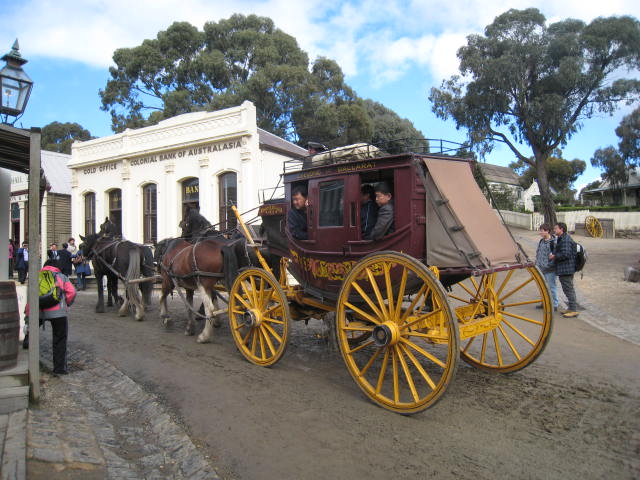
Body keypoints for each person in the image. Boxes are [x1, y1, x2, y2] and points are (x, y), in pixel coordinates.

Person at [27, 259, 76, 375]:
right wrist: (66, 304)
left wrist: (28, 314)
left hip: (38, 310)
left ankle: (26, 344)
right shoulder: (62, 277)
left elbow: (30, 296)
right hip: (58, 312)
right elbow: (72, 292)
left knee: (31, 333)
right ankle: (59, 368)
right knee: (59, 339)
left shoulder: (36, 277)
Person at [549, 222, 579, 318]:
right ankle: (571, 308)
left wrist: (554, 256)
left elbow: (566, 254)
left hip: (567, 269)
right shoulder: (562, 238)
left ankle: (573, 310)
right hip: (564, 269)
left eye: (556, 228)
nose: (554, 230)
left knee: (569, 289)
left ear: (561, 229)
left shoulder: (565, 239)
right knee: (567, 289)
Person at [535, 223, 558, 311]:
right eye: (540, 230)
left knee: (551, 286)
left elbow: (555, 255)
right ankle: (544, 302)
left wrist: (550, 265)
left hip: (549, 269)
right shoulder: (541, 241)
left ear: (547, 231)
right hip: (540, 267)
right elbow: (538, 252)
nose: (540, 232)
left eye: (542, 231)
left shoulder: (554, 242)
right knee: (542, 286)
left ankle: (554, 304)